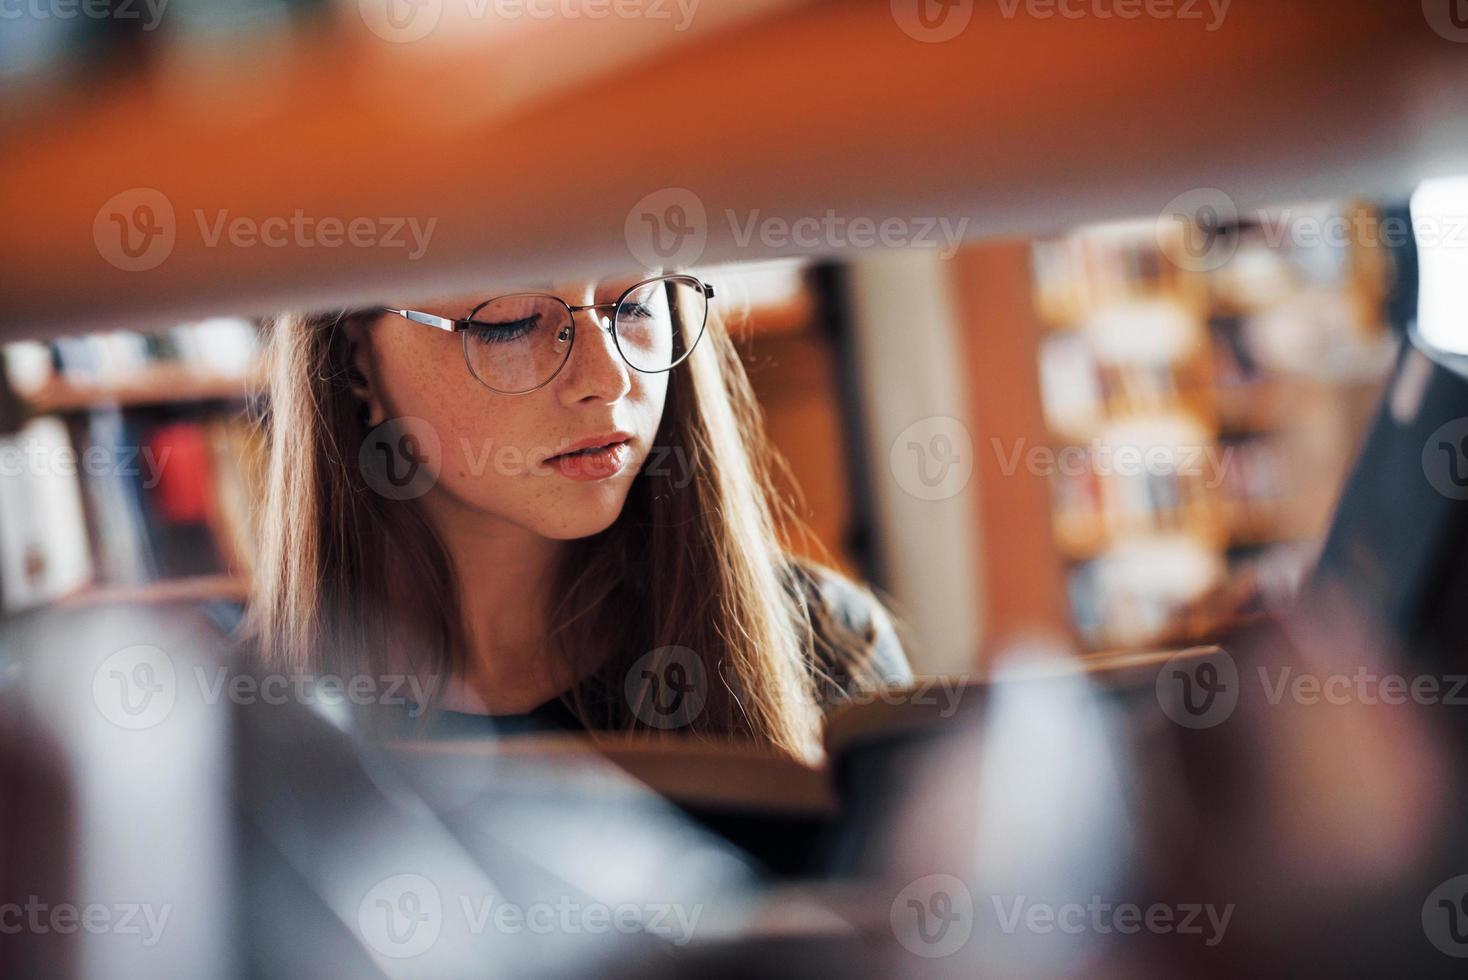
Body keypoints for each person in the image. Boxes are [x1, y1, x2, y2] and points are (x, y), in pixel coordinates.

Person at [245, 271, 909, 762]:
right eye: (507, 323)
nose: (609, 375)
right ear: (357, 362)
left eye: (638, 303)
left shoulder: (826, 647)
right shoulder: (240, 729)